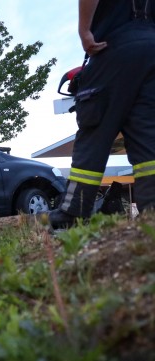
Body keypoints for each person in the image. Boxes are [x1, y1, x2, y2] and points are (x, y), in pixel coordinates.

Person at [47, 0, 155, 228]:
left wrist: (84, 31)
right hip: (150, 47)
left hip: (112, 46)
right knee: (148, 138)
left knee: (94, 133)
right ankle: (152, 211)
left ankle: (74, 212)